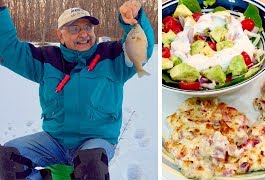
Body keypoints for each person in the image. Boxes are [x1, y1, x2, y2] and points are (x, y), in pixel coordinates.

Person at [0, 0, 154, 179]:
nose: (83, 34)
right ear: (60, 35)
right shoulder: (45, 60)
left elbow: (144, 47)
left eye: (88, 27)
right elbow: (8, 50)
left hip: (96, 141)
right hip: (54, 141)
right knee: (6, 159)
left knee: (92, 165)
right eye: (74, 29)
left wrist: (135, 20)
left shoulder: (113, 56)